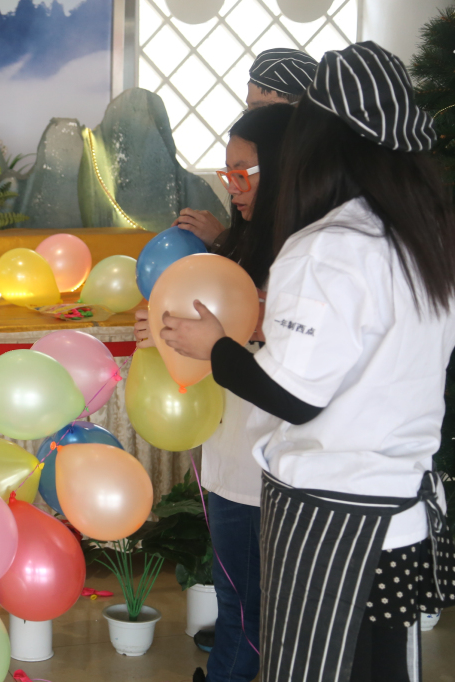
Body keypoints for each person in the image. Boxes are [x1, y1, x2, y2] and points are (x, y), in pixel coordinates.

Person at [161, 42, 455, 682]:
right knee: (385, 670)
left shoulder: (328, 245)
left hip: (330, 521)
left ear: (319, 142)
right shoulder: (422, 236)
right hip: (400, 516)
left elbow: (294, 397)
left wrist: (216, 346)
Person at [136, 104, 295, 682]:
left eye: (244, 171)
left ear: (285, 167)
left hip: (270, 462)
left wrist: (229, 331)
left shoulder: (306, 256)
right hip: (229, 451)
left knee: (249, 614)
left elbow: (287, 343)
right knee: (240, 606)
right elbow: (208, 331)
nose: (233, 186)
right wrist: (163, 328)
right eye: (228, 172)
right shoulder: (240, 247)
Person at [174, 48, 317, 248]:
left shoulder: (322, 186)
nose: (252, 121)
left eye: (264, 110)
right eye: (249, 110)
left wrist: (222, 240)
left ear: (303, 110)